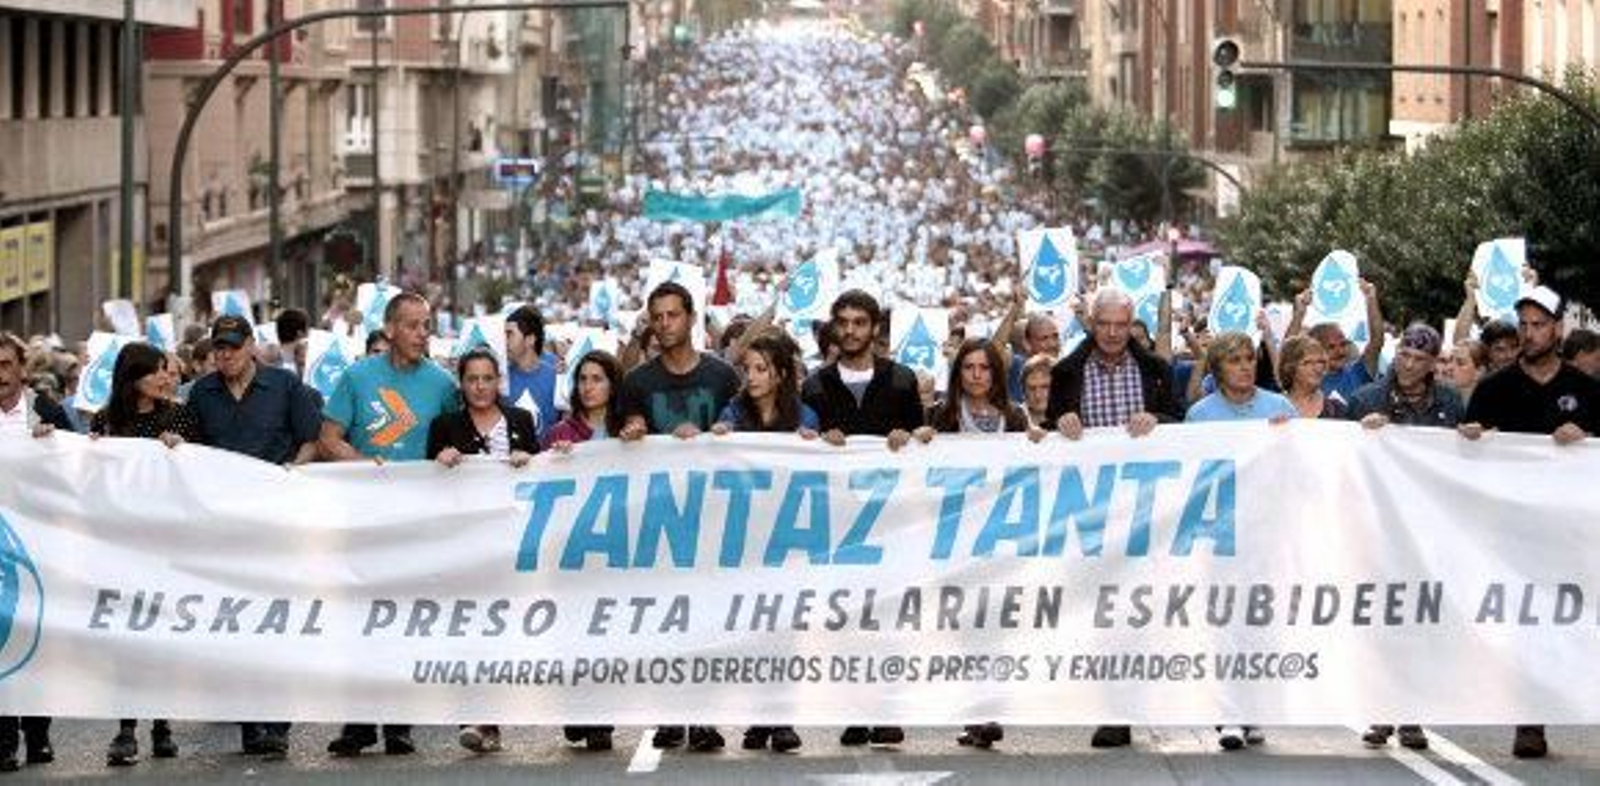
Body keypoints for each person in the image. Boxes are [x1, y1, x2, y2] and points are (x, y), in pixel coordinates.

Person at [1459, 286, 1600, 760]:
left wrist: (1588, 436)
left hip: (1571, 530)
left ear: (1558, 328)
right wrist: (1472, 439)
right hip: (1514, 531)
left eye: (1539, 324)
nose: (1529, 333)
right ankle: (1530, 718)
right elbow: (1462, 452)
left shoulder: (1586, 391)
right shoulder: (1495, 388)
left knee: (1574, 620)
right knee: (1525, 625)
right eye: (1523, 324)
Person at [320, 291, 459, 757]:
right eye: (415, 325)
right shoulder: (357, 378)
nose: (424, 333)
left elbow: (455, 442)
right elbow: (329, 439)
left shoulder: (442, 384)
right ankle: (358, 722)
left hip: (417, 519)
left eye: (427, 325)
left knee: (402, 617)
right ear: (391, 329)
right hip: (362, 517)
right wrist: (364, 464)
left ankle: (400, 722)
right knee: (360, 617)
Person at [1043, 287, 1180, 750]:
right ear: (1092, 324)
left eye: (1122, 325)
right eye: (1105, 325)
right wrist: (1061, 421)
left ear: (1131, 323)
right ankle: (1109, 704)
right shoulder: (1066, 371)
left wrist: (1158, 419)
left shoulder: (1157, 370)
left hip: (1147, 510)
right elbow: (1047, 427)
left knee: (1139, 607)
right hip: (1089, 512)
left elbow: (1181, 423)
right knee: (1098, 609)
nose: (1114, 334)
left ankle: (1128, 705)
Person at [185, 315, 324, 756]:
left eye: (231, 346)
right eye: (217, 348)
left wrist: (293, 473)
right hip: (225, 527)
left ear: (250, 345)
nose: (223, 355)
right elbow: (190, 451)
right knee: (236, 623)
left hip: (278, 522)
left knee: (277, 620)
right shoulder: (201, 394)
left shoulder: (284, 386)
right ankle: (251, 722)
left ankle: (278, 722)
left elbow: (311, 439)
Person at [617, 281, 740, 753]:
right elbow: (625, 431)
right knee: (665, 618)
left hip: (713, 515)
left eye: (673, 315)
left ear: (691, 318)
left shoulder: (722, 376)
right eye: (657, 317)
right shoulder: (638, 383)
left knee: (707, 618)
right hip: (659, 516)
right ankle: (669, 711)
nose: (665, 324)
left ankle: (705, 714)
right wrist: (634, 430)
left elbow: (742, 429)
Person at [799, 289, 922, 748]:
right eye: (843, 322)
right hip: (838, 522)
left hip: (893, 521)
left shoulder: (903, 381)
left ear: (875, 328)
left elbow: (922, 442)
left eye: (859, 322)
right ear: (833, 328)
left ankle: (887, 709)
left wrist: (909, 436)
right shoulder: (814, 385)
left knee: (888, 620)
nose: (850, 331)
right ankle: (854, 709)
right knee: (847, 621)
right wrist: (816, 440)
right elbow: (800, 441)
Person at [914, 338, 1042, 750]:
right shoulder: (942, 415)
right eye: (968, 367)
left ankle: (989, 709)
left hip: (1002, 541)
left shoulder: (1015, 418)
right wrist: (918, 440)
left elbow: (1037, 464)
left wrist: (1043, 443)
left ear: (996, 374)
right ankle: (977, 712)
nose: (976, 375)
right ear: (958, 374)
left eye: (984, 368)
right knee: (965, 629)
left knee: (996, 628)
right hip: (957, 540)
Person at [1345, 325, 1461, 752]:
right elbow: (1338, 456)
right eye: (1405, 355)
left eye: (1419, 359)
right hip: (1377, 526)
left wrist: (1469, 438)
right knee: (1380, 622)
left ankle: (1411, 713)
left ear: (1433, 364)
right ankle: (1379, 709)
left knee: (1417, 622)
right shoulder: (1365, 401)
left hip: (1426, 528)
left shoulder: (1449, 402)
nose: (1409, 364)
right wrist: (1361, 434)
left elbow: (1459, 464)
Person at [89, 342, 200, 766]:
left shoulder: (179, 417)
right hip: (121, 546)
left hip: (167, 545)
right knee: (126, 638)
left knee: (160, 636)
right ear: (132, 376)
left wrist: (182, 452)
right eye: (155, 370)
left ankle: (161, 723)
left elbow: (205, 474)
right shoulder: (104, 422)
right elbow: (91, 479)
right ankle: (126, 726)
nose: (164, 377)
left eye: (165, 370)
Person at [1185, 331, 1294, 751]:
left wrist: (1288, 438)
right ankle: (1228, 714)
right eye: (1235, 360)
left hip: (1266, 530)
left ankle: (1253, 709)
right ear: (1217, 368)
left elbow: (1297, 468)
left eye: (1250, 358)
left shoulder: (1279, 408)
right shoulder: (1201, 414)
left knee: (1258, 622)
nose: (1246, 366)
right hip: (1220, 534)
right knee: (1223, 623)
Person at [425, 348, 536, 755]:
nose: (480, 386)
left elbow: (544, 482)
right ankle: (478, 717)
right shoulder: (445, 425)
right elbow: (422, 483)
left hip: (509, 544)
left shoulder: (521, 422)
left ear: (498, 382)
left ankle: (491, 718)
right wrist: (439, 459)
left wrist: (531, 461)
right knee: (471, 630)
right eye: (472, 379)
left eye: (488, 378)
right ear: (462, 383)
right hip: (464, 546)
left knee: (503, 633)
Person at [709, 331, 816, 754]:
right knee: (752, 630)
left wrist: (820, 445)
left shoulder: (804, 415)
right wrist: (715, 438)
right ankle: (758, 716)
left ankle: (781, 718)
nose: (751, 377)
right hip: (745, 539)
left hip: (788, 538)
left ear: (780, 374)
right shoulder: (732, 412)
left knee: (784, 630)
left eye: (760, 369)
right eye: (747, 368)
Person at [540, 349, 623, 752]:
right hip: (571, 548)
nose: (589, 387)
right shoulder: (559, 433)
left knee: (605, 633)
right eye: (583, 379)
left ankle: (601, 718)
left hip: (617, 547)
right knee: (572, 632)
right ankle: (577, 709)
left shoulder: (630, 431)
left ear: (613, 384)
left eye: (598, 378)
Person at [0, 333, 66, 773]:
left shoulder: (48, 410)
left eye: (5, 364)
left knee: (37, 635)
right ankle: (4, 740)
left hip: (37, 543)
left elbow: (83, 464)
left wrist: (53, 444)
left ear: (22, 368)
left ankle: (37, 731)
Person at [1286, 278, 1384, 402]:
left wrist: (1371, 300)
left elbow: (1376, 341)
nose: (1340, 351)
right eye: (1331, 347)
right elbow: (1287, 354)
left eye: (1343, 344)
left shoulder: (1358, 372)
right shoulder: (1303, 379)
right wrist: (1299, 314)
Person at [504, 305, 560, 437]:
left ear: (530, 339)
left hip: (550, 456)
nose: (504, 341)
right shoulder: (500, 378)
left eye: (509, 335)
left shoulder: (557, 377)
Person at [1277, 335, 1347, 419]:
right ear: (1290, 368)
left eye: (1320, 362)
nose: (1317, 368)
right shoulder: (1274, 406)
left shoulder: (1336, 408)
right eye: (1307, 362)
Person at [1019, 354, 1055, 428]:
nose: (1037, 395)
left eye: (1045, 387)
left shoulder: (1075, 417)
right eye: (1032, 389)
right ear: (1024, 391)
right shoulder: (1011, 420)